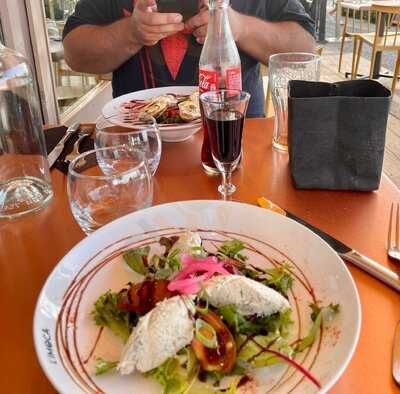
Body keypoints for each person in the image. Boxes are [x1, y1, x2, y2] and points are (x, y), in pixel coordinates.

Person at [63, 0, 316, 117]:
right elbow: (75, 53)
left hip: (238, 136)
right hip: (136, 140)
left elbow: (304, 47)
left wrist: (238, 27)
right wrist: (130, 33)